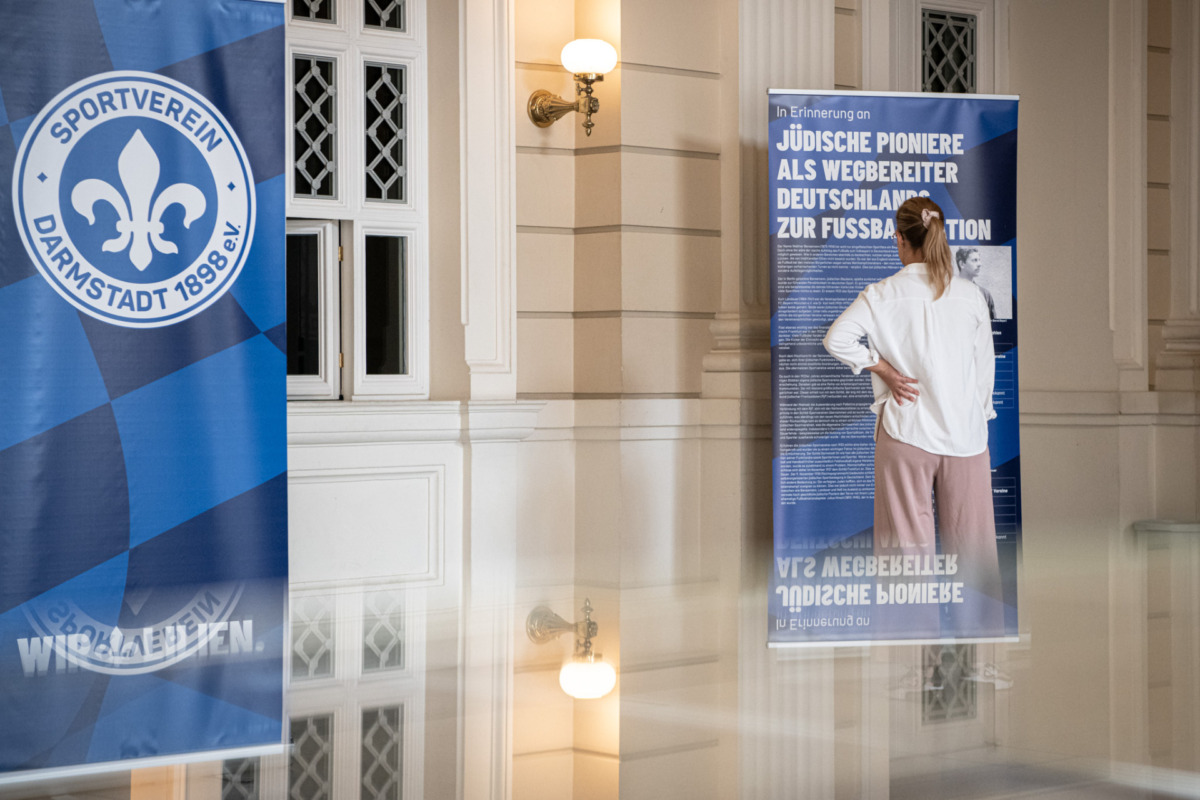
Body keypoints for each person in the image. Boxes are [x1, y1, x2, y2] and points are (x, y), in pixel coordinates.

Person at [822, 197, 1004, 636]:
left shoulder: (882, 294)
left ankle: (911, 665)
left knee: (905, 554)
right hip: (966, 439)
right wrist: (970, 416)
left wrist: (883, 368)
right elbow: (984, 374)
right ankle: (979, 658)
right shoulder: (971, 295)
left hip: (905, 434)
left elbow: (836, 339)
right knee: (974, 552)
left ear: (901, 240)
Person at [956, 247, 996, 319]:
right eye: (974, 260)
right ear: (962, 264)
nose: (980, 264)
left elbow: (993, 325)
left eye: (979, 260)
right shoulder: (949, 291)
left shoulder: (985, 294)